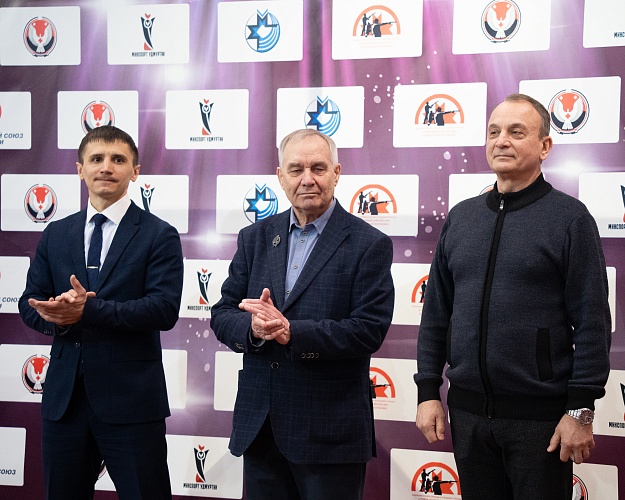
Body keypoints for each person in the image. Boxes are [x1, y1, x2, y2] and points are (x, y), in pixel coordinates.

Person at [414, 94, 611, 500]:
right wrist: (428, 392)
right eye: (494, 132)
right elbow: (435, 315)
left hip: (539, 421)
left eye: (516, 132)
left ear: (544, 146)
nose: (501, 140)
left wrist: (580, 410)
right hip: (467, 416)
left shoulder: (570, 219)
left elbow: (592, 322)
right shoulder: (462, 218)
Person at [210, 128, 395, 500]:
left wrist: (292, 332)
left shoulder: (369, 243)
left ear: (336, 173)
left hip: (330, 433)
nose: (307, 179)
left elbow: (368, 330)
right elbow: (223, 313)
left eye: (318, 168)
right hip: (262, 427)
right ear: (281, 177)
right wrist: (254, 328)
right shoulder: (255, 237)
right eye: (296, 169)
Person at [19, 125, 184, 499]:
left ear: (135, 171)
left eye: (118, 159)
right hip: (64, 403)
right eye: (96, 159)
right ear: (80, 169)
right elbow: (30, 302)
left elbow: (162, 309)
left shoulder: (158, 234)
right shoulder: (56, 233)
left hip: (132, 404)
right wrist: (57, 317)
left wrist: (88, 311)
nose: (106, 167)